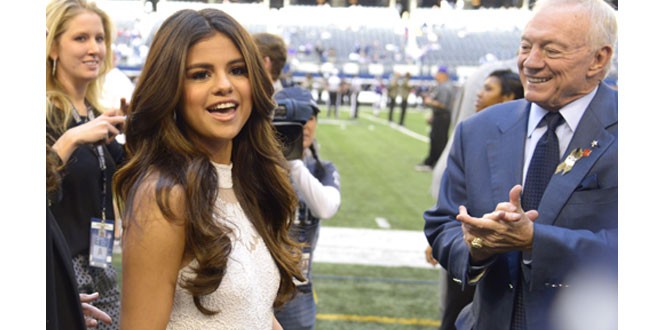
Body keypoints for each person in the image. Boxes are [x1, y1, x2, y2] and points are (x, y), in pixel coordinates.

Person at [424, 1, 618, 329]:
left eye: (551, 50)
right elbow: (443, 224)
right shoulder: (478, 129)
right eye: (526, 46)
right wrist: (476, 247)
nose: (530, 62)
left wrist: (534, 241)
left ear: (598, 59)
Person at [113, 8, 303, 329]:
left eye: (238, 70)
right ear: (170, 90)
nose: (224, 85)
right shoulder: (164, 194)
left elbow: (253, 311)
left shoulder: (247, 179)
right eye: (201, 74)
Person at [253, 32, 342, 330]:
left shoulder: (320, 168)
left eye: (308, 118)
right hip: (255, 283)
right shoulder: (255, 163)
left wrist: (294, 164)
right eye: (293, 121)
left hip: (298, 290)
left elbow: (327, 207)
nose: (302, 127)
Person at [46, 1, 126, 328]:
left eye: (100, 38)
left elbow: (129, 180)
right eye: (81, 38)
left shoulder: (96, 112)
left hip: (102, 267)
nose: (94, 48)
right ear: (53, 48)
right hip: (59, 270)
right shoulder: (43, 114)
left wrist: (136, 135)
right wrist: (70, 140)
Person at [424, 68, 524, 330]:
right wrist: (448, 239)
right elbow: (452, 202)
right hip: (470, 249)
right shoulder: (473, 131)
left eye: (489, 89)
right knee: (454, 313)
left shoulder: (522, 138)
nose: (479, 93)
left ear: (509, 96)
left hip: (504, 258)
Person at [48, 145, 113, 330]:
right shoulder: (56, 126)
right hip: (71, 256)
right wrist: (72, 138)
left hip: (101, 254)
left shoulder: (99, 123)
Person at [416, 66, 454, 172]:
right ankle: (433, 162)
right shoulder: (444, 86)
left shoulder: (445, 87)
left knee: (439, 141)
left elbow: (443, 104)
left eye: (437, 73)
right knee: (436, 140)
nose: (436, 76)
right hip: (440, 116)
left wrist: (429, 101)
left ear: (443, 75)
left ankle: (436, 164)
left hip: (442, 117)